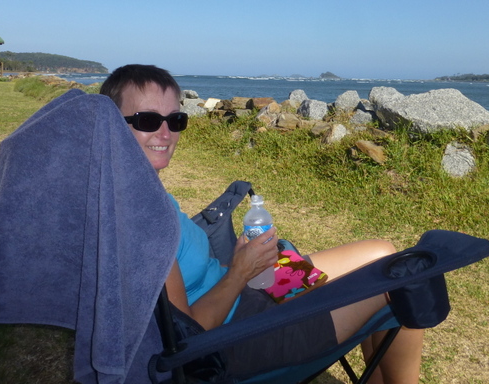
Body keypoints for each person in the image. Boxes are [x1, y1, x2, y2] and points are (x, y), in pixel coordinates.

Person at [101, 65, 424, 384]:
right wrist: (240, 272)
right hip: (239, 335)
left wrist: (242, 265)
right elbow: (187, 338)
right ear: (112, 126)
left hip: (248, 289)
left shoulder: (144, 192)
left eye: (175, 120)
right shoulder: (143, 220)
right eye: (147, 120)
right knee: (404, 278)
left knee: (383, 254)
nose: (165, 133)